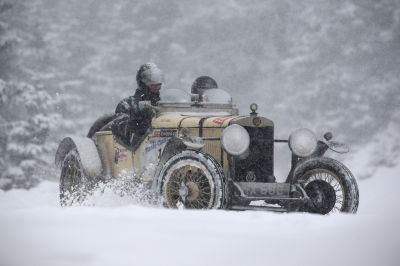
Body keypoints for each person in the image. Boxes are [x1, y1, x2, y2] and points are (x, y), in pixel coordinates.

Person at [112, 62, 164, 147]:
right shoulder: (127, 105)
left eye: (158, 80)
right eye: (152, 81)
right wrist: (138, 122)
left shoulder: (163, 105)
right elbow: (120, 131)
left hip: (161, 148)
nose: (157, 85)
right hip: (139, 151)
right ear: (142, 82)